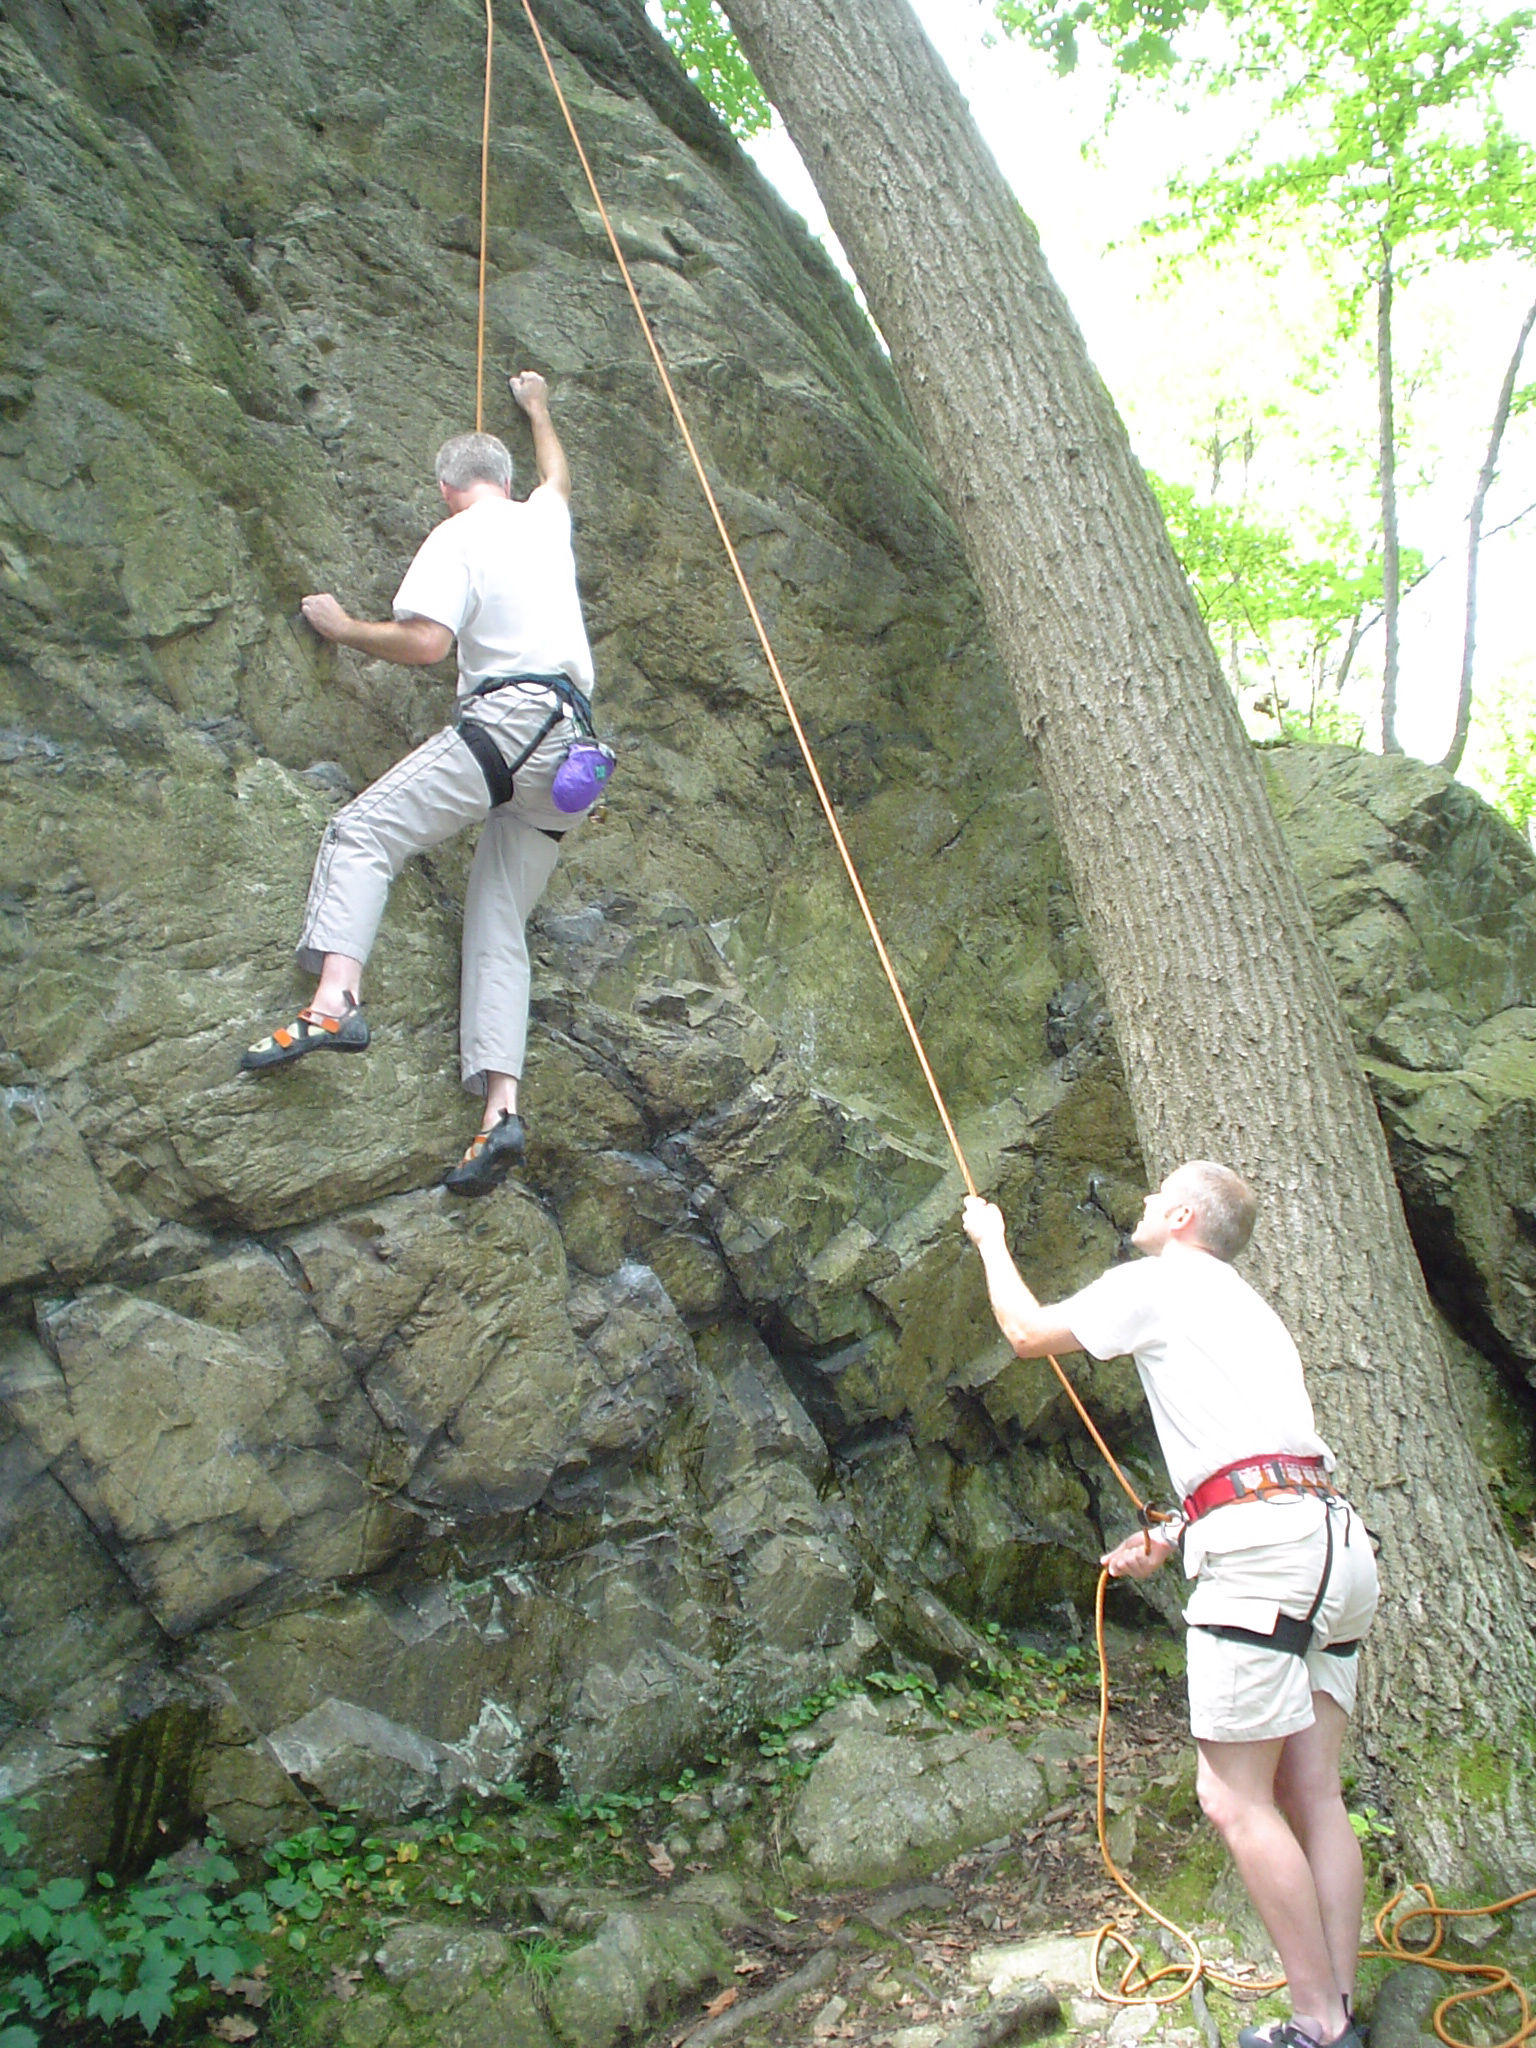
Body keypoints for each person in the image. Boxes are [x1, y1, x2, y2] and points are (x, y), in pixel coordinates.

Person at [962, 1163, 1378, 2048]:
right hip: (1335, 1546)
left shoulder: (1157, 1281)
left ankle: (1318, 2024)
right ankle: (1340, 2006)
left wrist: (990, 1241)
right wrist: (1173, 1535)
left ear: (1183, 1215)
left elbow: (1027, 1332)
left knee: (1233, 1798)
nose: (1144, 1206)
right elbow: (1260, 1452)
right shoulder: (1251, 1310)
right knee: (1313, 1791)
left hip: (1263, 1557)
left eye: (1158, 1198)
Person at [241, 370, 596, 1196]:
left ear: (446, 490)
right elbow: (558, 475)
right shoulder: (544, 516)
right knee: (499, 922)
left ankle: (335, 1001)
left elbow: (428, 643)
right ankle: (501, 1111)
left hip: (509, 725)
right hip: (574, 756)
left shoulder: (458, 533)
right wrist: (538, 407)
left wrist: (344, 628)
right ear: (504, 479)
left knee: (364, 831)